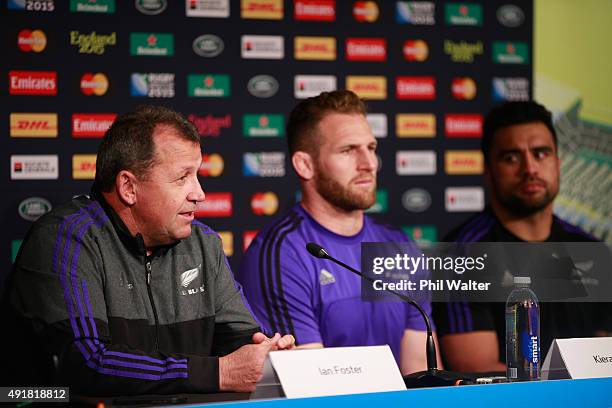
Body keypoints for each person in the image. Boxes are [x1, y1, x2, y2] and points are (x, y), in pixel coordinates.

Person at [2, 106, 294, 395]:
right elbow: (85, 362)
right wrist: (216, 372)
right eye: (182, 178)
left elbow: (239, 339)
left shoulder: (203, 244)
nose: (199, 194)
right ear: (129, 187)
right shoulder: (66, 240)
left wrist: (264, 354)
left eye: (197, 175)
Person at [237, 90, 440, 374]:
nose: (369, 163)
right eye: (348, 150)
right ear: (305, 165)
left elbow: (421, 374)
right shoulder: (282, 254)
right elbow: (311, 384)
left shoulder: (399, 245)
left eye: (371, 148)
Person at [432, 101, 610, 373]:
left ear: (558, 163)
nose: (530, 168)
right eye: (511, 157)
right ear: (488, 170)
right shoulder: (461, 255)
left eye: (541, 153)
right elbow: (475, 369)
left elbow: (605, 353)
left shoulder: (590, 249)